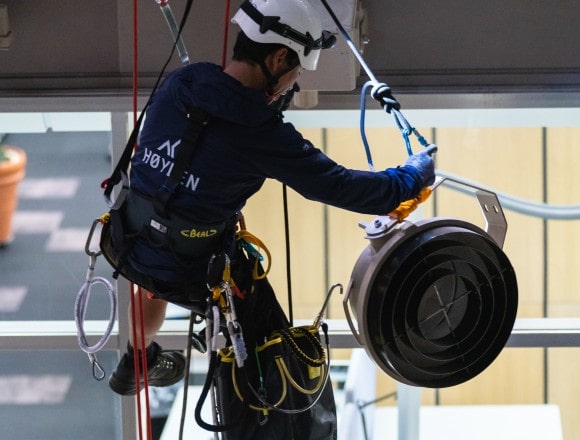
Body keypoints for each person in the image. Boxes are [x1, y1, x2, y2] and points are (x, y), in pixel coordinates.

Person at [108, 0, 436, 397]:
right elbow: (338, 185)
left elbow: (186, 153)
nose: (294, 83)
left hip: (131, 237)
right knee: (258, 315)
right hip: (188, 268)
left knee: (152, 277)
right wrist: (411, 178)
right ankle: (263, 403)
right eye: (296, 71)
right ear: (279, 57)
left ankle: (135, 360)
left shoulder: (185, 82)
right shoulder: (262, 133)